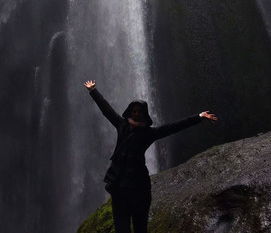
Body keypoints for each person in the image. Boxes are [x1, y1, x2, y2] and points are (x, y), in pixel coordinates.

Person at [84, 80, 217, 233]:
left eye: (139, 111)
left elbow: (173, 127)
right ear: (129, 112)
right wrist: (93, 90)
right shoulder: (122, 126)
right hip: (120, 188)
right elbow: (107, 110)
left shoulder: (149, 133)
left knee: (141, 228)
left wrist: (199, 117)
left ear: (144, 115)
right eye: (134, 110)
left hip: (139, 189)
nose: (136, 113)